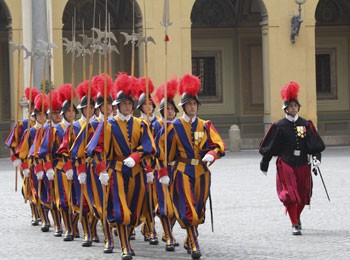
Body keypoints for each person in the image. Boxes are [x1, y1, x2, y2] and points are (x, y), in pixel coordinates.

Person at [156, 73, 225, 259]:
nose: (192, 107)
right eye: (189, 104)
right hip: (182, 171)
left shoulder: (205, 125)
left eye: (195, 104)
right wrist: (163, 171)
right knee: (188, 208)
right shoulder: (174, 126)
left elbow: (218, 144)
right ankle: (195, 244)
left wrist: (212, 154)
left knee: (199, 209)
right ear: (184, 106)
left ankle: (189, 237)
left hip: (202, 172)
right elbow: (162, 153)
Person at [87, 72, 156, 260]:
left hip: (136, 171)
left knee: (134, 212)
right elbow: (95, 149)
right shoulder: (107, 125)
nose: (127, 106)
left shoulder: (141, 124)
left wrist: (136, 156)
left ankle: (127, 236)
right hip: (116, 171)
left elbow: (149, 146)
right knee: (120, 210)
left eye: (129, 103)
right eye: (124, 103)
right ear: (117, 106)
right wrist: (101, 169)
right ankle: (125, 246)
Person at [259, 81, 325, 235]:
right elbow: (270, 146)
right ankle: (294, 224)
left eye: (296, 106)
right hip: (286, 162)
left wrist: (316, 158)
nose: (294, 108)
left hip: (303, 162)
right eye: (291, 106)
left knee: (303, 195)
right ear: (286, 108)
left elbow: (314, 145)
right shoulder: (279, 126)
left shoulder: (306, 124)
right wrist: (265, 162)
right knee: (290, 194)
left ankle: (297, 215)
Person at [38, 84, 78, 241]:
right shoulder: (55, 130)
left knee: (78, 200)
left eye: (73, 110)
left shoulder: (79, 127)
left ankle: (76, 227)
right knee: (63, 200)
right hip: (59, 168)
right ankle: (66, 228)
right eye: (67, 111)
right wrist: (48, 168)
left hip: (77, 168)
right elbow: (44, 152)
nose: (70, 113)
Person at [5, 87, 40, 226]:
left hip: (41, 161)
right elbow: (13, 144)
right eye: (31, 106)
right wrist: (17, 159)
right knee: (29, 187)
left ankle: (42, 211)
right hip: (26, 161)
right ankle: (34, 213)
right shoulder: (22, 125)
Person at [152, 78, 180, 251]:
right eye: (166, 109)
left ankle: (168, 230)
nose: (169, 111)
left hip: (177, 169)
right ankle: (168, 235)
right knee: (164, 205)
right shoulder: (155, 126)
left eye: (171, 108)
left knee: (177, 203)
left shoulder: (179, 126)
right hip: (160, 168)